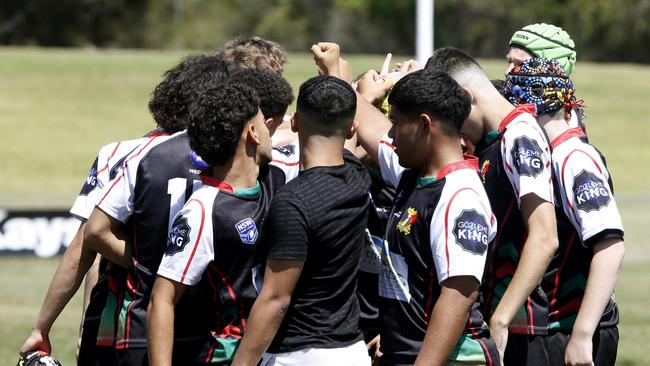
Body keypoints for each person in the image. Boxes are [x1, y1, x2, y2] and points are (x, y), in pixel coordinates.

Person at [18, 54, 214, 363]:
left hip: (127, 315)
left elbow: (85, 246)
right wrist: (177, 268)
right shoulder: (232, 160)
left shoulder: (121, 153)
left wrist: (42, 326)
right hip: (207, 322)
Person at [353, 62, 500, 365]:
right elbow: (372, 128)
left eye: (396, 122)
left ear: (423, 125)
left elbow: (458, 296)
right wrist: (336, 73)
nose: (391, 134)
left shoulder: (460, 194)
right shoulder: (414, 175)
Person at [426, 47, 559, 365]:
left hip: (519, 328)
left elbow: (544, 236)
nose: (455, 130)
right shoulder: (492, 141)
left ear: (466, 95)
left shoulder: (520, 136)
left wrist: (502, 317)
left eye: (455, 114)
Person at [232, 62, 372, 365]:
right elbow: (348, 148)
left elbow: (275, 300)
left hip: (298, 354)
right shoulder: (357, 175)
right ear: (351, 128)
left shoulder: (293, 201)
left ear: (294, 123)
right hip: (351, 351)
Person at [148, 76, 290, 365]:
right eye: (265, 122)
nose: (273, 130)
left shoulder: (277, 179)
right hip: (229, 355)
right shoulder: (203, 209)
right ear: (252, 132)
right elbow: (162, 300)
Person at [504, 57, 624, 366]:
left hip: (573, 332)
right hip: (560, 329)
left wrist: (582, 335)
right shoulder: (558, 154)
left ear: (529, 109)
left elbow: (610, 246)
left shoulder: (573, 159)